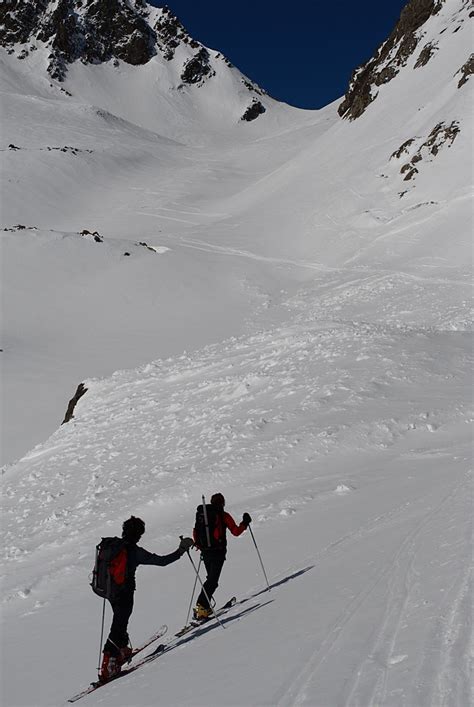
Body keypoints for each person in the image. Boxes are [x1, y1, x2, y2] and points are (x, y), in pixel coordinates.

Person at [100, 516, 193, 681]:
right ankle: (108, 665)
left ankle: (121, 650)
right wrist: (181, 550)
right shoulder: (133, 551)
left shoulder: (114, 547)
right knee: (118, 625)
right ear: (139, 534)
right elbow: (161, 561)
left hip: (111, 592)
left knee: (121, 620)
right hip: (125, 593)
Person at [193, 493, 251, 620]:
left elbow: (195, 531)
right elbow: (236, 531)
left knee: (211, 580)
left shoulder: (203, 516)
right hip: (218, 553)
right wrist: (245, 523)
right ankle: (201, 607)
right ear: (223, 503)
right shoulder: (223, 516)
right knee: (213, 581)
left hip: (205, 552)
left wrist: (200, 546)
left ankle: (204, 607)